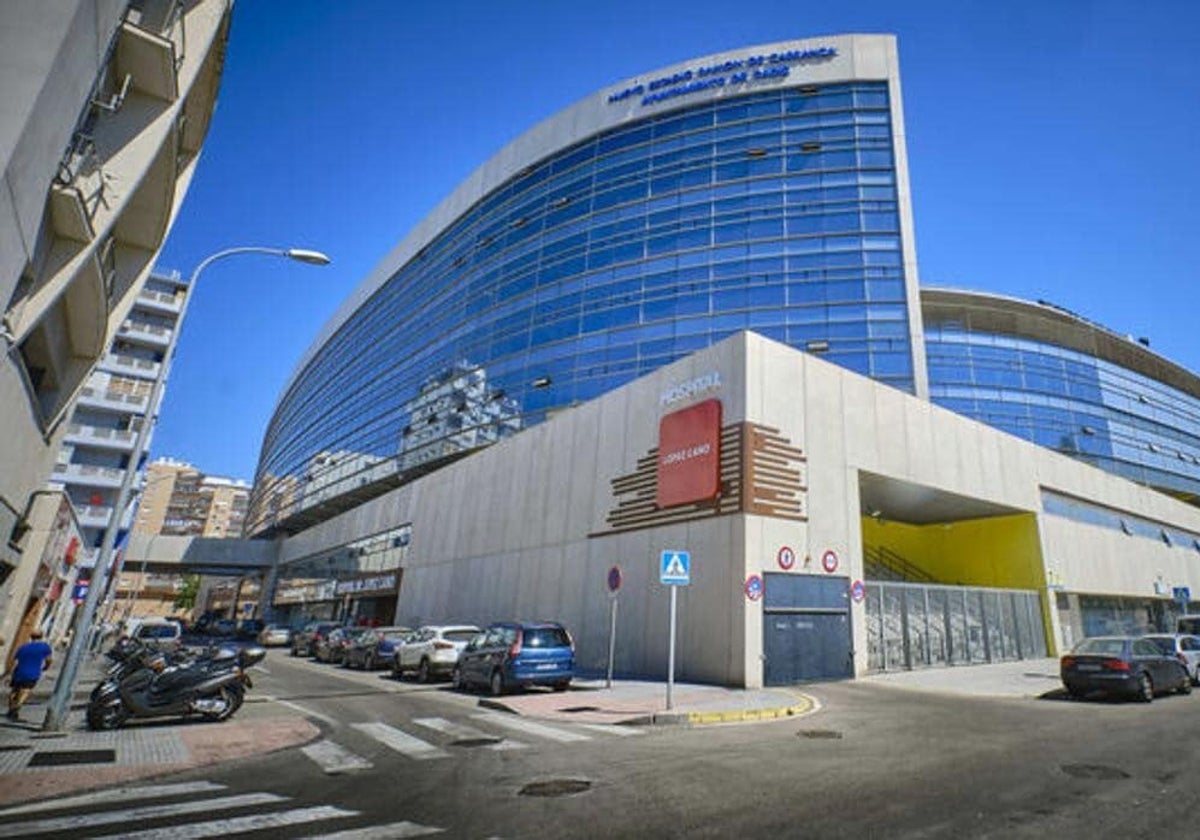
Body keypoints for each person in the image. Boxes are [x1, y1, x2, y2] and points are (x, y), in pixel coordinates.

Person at [7, 630, 54, 721]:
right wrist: (46, 667)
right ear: (41, 636)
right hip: (32, 673)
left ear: (31, 637)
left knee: (14, 691)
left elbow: (15, 661)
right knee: (25, 691)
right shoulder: (44, 647)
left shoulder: (23, 647)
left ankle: (10, 709)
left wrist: (11, 673)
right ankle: (16, 708)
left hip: (18, 672)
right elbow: (49, 660)